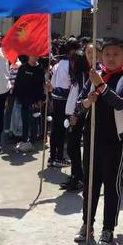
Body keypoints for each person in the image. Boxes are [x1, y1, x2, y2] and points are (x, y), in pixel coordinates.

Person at [74, 38, 123, 245]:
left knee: (111, 185)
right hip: (92, 137)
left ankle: (108, 228)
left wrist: (101, 85)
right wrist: (87, 101)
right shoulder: (94, 75)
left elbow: (120, 103)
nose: (110, 58)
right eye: (106, 54)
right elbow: (79, 105)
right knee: (90, 184)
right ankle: (87, 224)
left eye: (115, 54)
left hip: (115, 140)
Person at [49, 37, 81, 167]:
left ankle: (52, 156)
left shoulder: (58, 63)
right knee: (62, 128)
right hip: (65, 100)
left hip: (56, 97)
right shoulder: (70, 65)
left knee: (55, 128)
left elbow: (52, 82)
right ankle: (59, 156)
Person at [62, 50, 90, 191]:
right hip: (71, 115)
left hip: (77, 116)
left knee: (73, 147)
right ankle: (75, 175)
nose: (71, 64)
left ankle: (78, 177)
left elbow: (82, 98)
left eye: (73, 61)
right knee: (71, 148)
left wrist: (76, 114)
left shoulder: (83, 76)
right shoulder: (75, 77)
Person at [13, 55, 45, 153]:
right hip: (23, 99)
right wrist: (16, 96)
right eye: (33, 55)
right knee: (25, 121)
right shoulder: (23, 68)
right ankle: (24, 140)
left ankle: (32, 142)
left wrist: (41, 99)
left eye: (37, 55)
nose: (35, 57)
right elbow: (17, 83)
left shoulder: (40, 69)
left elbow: (41, 85)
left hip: (35, 101)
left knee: (33, 122)